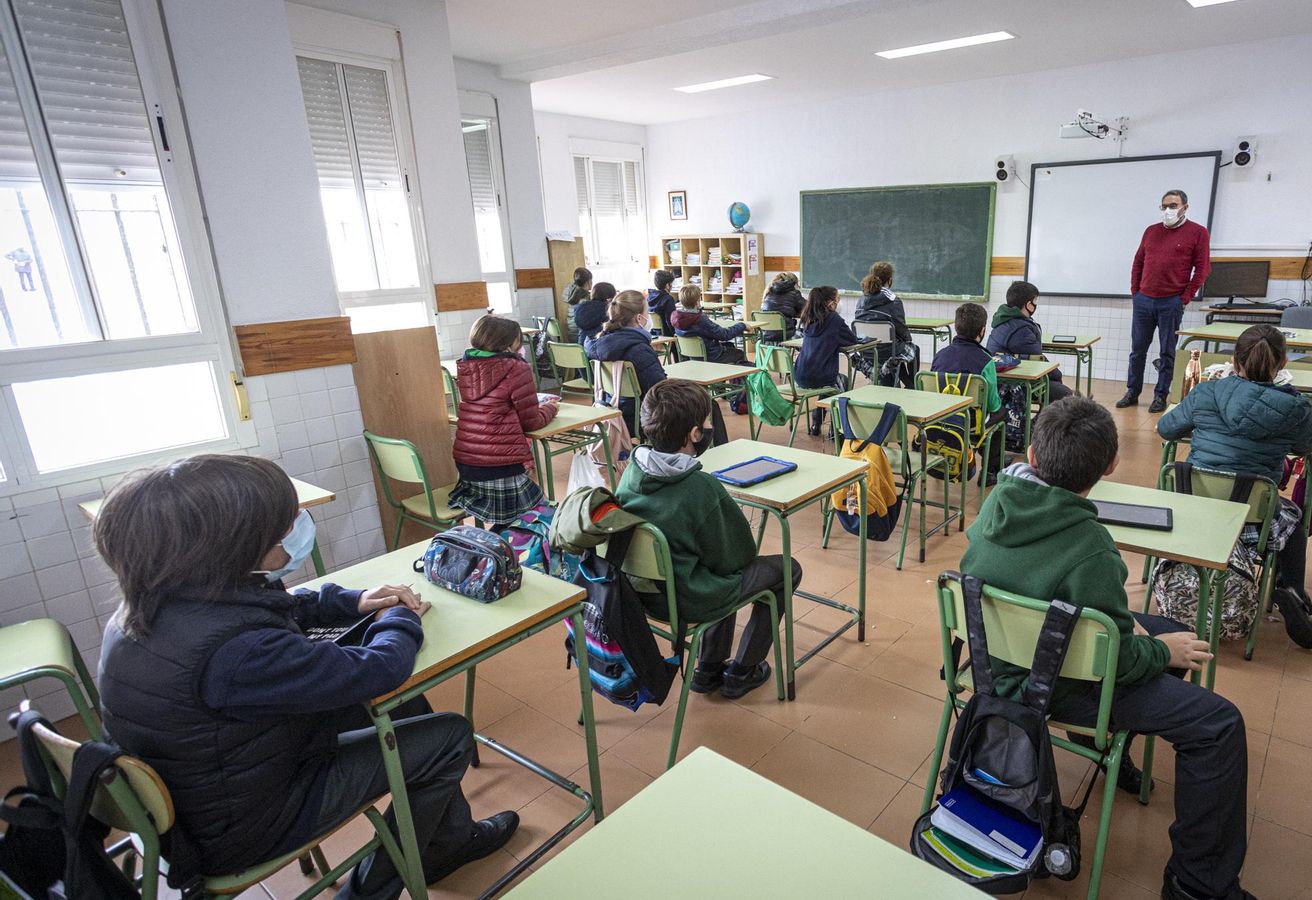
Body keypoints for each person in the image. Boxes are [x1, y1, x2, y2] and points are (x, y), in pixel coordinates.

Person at [94, 455, 517, 900]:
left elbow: (277, 606)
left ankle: (446, 841)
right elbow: (380, 669)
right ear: (234, 549)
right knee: (449, 735)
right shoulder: (236, 652)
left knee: (405, 705)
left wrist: (354, 601)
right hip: (243, 827)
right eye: (281, 530)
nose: (293, 534)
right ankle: (376, 888)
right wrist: (399, 619)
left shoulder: (153, 606)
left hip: (210, 791)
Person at [962, 398, 1253, 900]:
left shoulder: (995, 503)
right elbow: (1118, 659)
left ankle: (1102, 742)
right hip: (1048, 685)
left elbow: (1096, 626)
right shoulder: (1092, 547)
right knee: (1219, 724)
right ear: (1111, 466)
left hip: (990, 668)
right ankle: (1197, 885)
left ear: (1030, 455)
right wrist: (1160, 653)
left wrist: (1147, 636)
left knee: (1165, 627)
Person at [615, 379, 799, 698]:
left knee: (710, 566)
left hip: (640, 593)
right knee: (786, 569)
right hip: (686, 597)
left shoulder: (631, 472)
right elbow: (738, 557)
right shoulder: (700, 488)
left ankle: (708, 667)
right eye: (707, 421)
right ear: (694, 434)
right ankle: (743, 670)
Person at [1156, 324, 1312, 649]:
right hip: (1253, 523)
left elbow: (1166, 429)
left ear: (1234, 361)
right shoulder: (1294, 408)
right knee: (1293, 519)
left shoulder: (1204, 393)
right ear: (1283, 363)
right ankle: (1291, 589)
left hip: (1194, 511)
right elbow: (1308, 445)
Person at [449, 314, 560, 531]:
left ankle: (494, 543)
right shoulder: (516, 368)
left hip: (467, 463)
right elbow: (531, 422)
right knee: (540, 515)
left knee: (518, 517)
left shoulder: (467, 365)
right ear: (509, 344)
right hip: (499, 465)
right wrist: (550, 408)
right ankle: (496, 545)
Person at [1119, 189, 1211, 414]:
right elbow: (1138, 262)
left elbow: (1202, 269)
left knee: (1167, 352)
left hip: (1171, 302)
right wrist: (1136, 293)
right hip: (1144, 300)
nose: (1168, 210)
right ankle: (1132, 391)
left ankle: (1160, 395)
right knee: (1137, 350)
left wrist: (1184, 298)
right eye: (1165, 206)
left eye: (1173, 205)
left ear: (1185, 207)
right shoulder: (1151, 231)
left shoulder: (1198, 232)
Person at [929, 302, 1003, 478]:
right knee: (1001, 414)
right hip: (970, 423)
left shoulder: (940, 355)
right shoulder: (986, 361)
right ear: (982, 331)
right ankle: (991, 470)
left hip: (939, 417)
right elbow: (992, 405)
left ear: (956, 327)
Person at [588, 289, 667, 436]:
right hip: (640, 417)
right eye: (647, 312)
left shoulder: (600, 344)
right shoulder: (639, 350)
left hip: (610, 410)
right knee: (700, 405)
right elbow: (659, 390)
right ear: (639, 318)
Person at [795, 285, 870, 435]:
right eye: (838, 300)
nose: (838, 303)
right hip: (820, 376)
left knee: (833, 381)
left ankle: (817, 422)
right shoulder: (834, 319)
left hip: (800, 375)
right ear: (830, 302)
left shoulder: (808, 317)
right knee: (842, 382)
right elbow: (851, 340)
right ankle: (837, 429)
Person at [988, 280, 1072, 403]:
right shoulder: (1021, 329)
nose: (1036, 304)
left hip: (1002, 379)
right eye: (1035, 301)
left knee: (1054, 386)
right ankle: (1045, 415)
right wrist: (1057, 375)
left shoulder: (1002, 319)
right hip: (1013, 384)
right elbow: (1037, 359)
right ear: (1028, 304)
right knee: (1064, 393)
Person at [853, 260, 918, 388]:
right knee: (913, 349)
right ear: (890, 280)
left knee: (896, 350)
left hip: (866, 350)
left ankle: (906, 383)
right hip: (888, 351)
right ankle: (912, 385)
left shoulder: (861, 299)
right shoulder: (893, 301)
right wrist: (908, 340)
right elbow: (901, 329)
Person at [670, 284, 749, 366]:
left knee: (730, 345)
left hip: (690, 358)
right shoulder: (700, 320)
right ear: (697, 302)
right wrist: (742, 325)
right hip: (711, 356)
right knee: (739, 353)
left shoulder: (677, 318)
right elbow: (724, 335)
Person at [572, 281, 615, 352]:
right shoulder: (607, 311)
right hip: (597, 352)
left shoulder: (581, 308)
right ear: (609, 299)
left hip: (581, 351)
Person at [760, 272, 804, 340]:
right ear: (794, 283)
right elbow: (806, 309)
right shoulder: (794, 293)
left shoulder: (768, 291)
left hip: (765, 334)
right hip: (785, 334)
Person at [562, 266, 592, 339]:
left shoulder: (571, 293)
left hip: (572, 333)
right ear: (588, 282)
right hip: (582, 336)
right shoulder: (587, 298)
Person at [647, 269, 677, 337]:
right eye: (671, 283)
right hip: (667, 335)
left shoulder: (649, 297)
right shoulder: (668, 299)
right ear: (667, 285)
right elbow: (670, 321)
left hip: (654, 334)